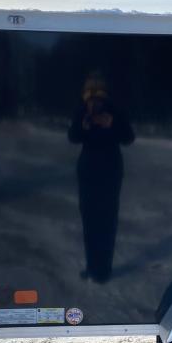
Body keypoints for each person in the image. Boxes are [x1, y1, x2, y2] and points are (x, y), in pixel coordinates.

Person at [68, 72, 134, 283]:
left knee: (107, 221)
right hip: (88, 173)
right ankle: (91, 266)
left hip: (110, 173)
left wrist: (112, 124)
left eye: (98, 99)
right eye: (90, 99)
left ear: (105, 98)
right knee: (89, 220)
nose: (94, 104)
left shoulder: (114, 113)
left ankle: (103, 269)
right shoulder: (82, 113)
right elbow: (72, 136)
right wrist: (83, 125)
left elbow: (128, 137)